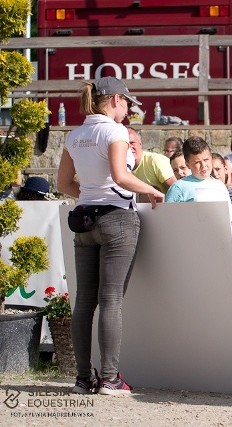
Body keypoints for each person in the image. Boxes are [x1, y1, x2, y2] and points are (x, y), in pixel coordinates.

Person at [57, 76, 164, 395]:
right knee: (111, 299)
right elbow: (121, 176)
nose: (130, 109)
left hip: (84, 220)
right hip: (117, 217)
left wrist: (90, 195)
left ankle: (82, 378)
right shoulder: (114, 131)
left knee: (84, 301)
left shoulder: (75, 135)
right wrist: (151, 190)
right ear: (115, 99)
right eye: (129, 103)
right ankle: (110, 377)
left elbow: (64, 184)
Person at [165, 136, 232, 226]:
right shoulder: (178, 187)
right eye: (197, 162)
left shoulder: (220, 186)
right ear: (188, 164)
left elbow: (229, 220)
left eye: (206, 160)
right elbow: (168, 220)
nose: (203, 165)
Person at [128, 127, 177, 194]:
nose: (129, 147)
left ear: (140, 144)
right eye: (126, 144)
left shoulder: (156, 161)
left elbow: (177, 191)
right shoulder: (117, 166)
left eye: (132, 142)